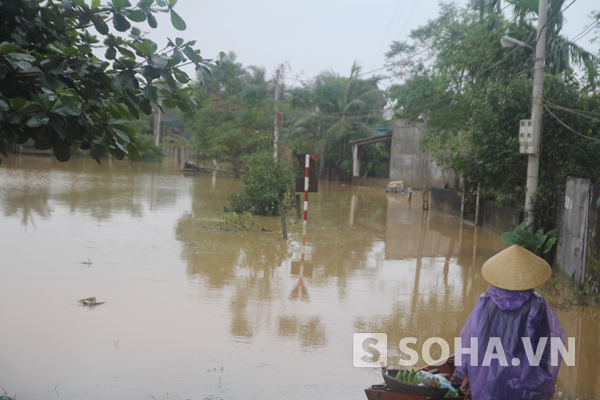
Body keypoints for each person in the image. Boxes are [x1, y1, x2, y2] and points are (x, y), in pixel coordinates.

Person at [456, 245, 565, 400]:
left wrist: (467, 374)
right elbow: (545, 345)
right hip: (524, 381)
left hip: (487, 379)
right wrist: (544, 381)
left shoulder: (485, 300)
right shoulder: (536, 304)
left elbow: (473, 340)